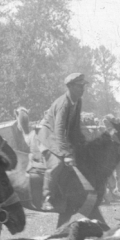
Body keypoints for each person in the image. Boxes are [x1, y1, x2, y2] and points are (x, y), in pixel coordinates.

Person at [39, 73, 87, 211]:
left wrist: (82, 142)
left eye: (83, 86)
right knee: (58, 163)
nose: (82, 89)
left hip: (59, 136)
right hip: (49, 135)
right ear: (70, 86)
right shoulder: (63, 104)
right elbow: (59, 131)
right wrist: (66, 153)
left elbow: (75, 127)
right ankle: (46, 197)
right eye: (79, 86)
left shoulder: (78, 101)